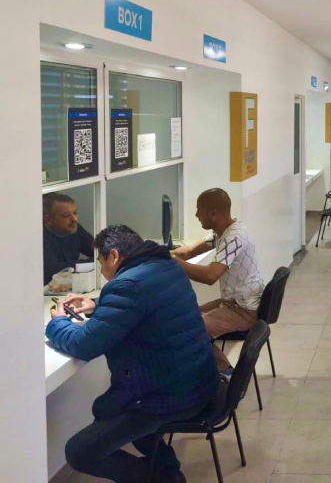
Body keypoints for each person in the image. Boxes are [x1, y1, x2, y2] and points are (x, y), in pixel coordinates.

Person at [46, 225, 218, 483]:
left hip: (169, 397)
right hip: (199, 382)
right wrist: (98, 305)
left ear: (114, 256)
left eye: (101, 262)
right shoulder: (167, 266)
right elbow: (143, 306)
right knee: (106, 408)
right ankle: (167, 469)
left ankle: (160, 479)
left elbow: (85, 345)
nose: (102, 271)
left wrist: (58, 322)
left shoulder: (128, 285)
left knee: (79, 452)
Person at [172, 188, 265, 373]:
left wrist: (174, 263)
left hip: (243, 311)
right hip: (232, 303)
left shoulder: (234, 237)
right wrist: (157, 253)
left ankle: (225, 373)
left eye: (199, 210)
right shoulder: (222, 233)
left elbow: (210, 276)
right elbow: (187, 252)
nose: (196, 215)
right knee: (184, 316)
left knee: (191, 329)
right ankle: (218, 370)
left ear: (213, 214)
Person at [42, 192, 94, 285]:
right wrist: (95, 262)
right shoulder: (40, 238)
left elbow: (98, 250)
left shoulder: (74, 228)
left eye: (75, 213)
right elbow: (52, 270)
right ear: (49, 220)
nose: (74, 219)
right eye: (66, 215)